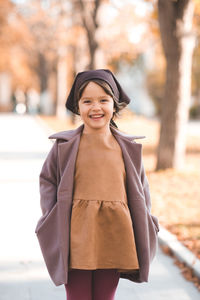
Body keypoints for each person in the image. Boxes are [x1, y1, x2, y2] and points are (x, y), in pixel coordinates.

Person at [35, 69, 159, 300]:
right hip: (76, 237)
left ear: (114, 104)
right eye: (87, 101)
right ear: (77, 106)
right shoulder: (65, 146)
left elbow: (142, 187)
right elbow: (48, 180)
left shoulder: (127, 148)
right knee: (78, 296)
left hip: (113, 235)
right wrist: (51, 215)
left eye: (103, 100)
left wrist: (146, 217)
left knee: (105, 296)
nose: (95, 107)